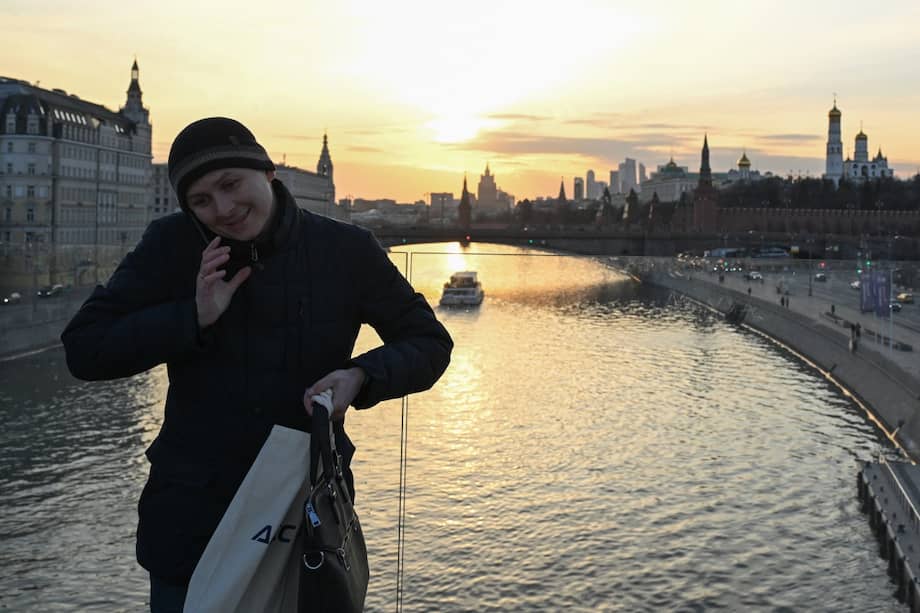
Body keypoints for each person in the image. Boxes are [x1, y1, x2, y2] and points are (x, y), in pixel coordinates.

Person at [61, 117, 453, 611]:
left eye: (230, 185)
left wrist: (360, 376)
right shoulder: (171, 244)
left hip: (306, 516)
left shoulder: (346, 250)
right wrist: (194, 316)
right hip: (194, 521)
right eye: (201, 201)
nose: (222, 210)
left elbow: (430, 342)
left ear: (268, 173)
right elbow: (85, 348)